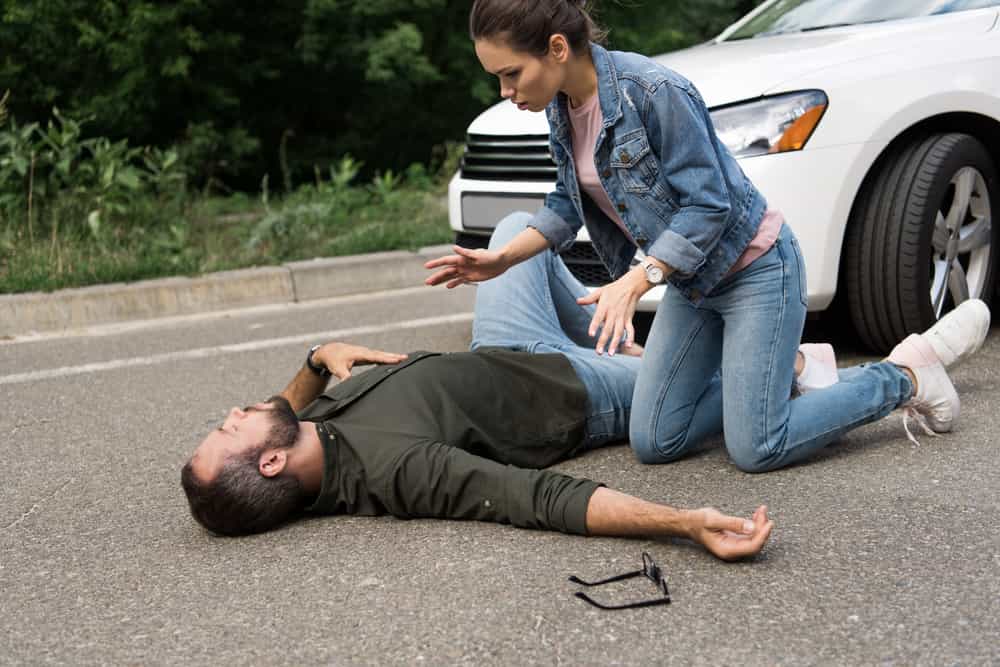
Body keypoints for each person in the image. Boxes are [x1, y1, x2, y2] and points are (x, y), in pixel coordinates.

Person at [424, 0, 992, 472]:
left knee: (758, 448)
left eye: (509, 74)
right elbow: (564, 205)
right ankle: (788, 370)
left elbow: (709, 205)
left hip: (757, 270)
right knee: (654, 441)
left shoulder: (653, 90)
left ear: (555, 49)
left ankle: (904, 376)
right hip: (696, 286)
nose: (504, 91)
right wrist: (501, 260)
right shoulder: (562, 108)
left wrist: (636, 279)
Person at [181, 215, 776, 560]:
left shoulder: (299, 431)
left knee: (516, 233)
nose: (233, 411)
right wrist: (682, 523)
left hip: (504, 345)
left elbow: (280, 406)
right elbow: (538, 498)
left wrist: (316, 360)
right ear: (272, 462)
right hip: (575, 391)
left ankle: (621, 341)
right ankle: (795, 371)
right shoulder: (397, 471)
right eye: (229, 428)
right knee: (732, 379)